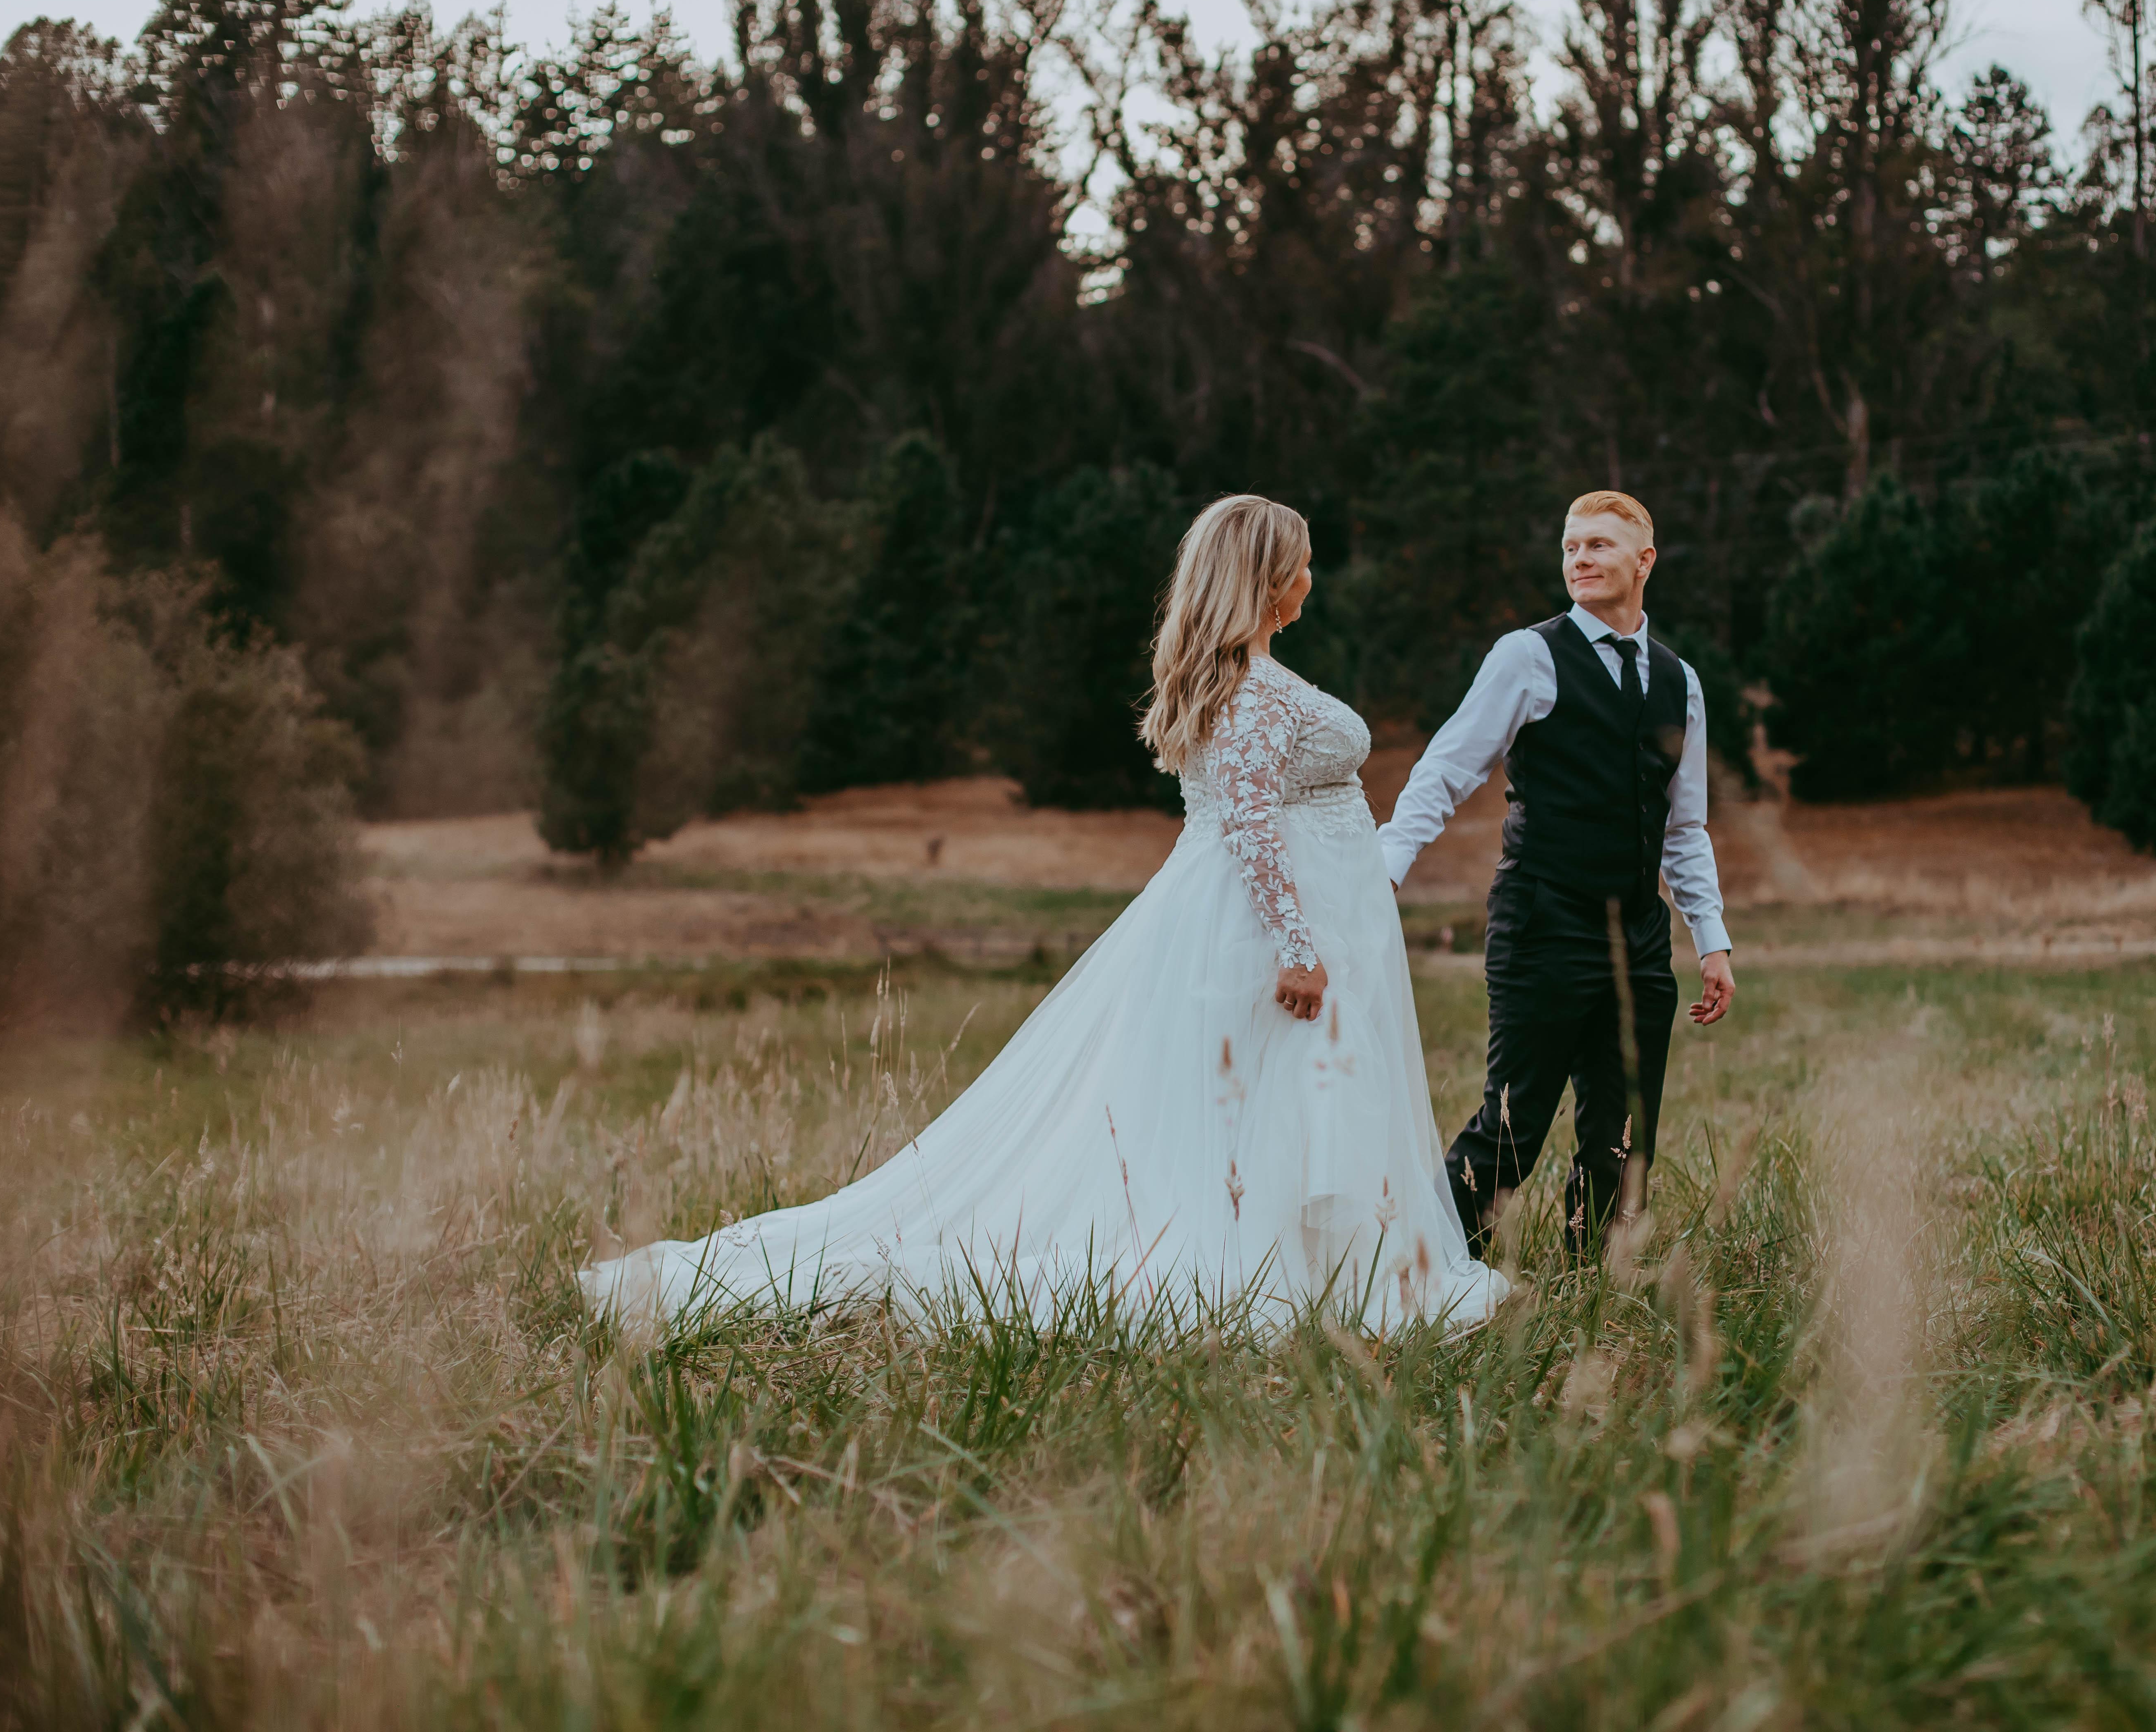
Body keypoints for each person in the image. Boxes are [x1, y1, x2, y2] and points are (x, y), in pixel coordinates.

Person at [580, 495, 1505, 1333]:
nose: (1311, 577)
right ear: (1268, 579)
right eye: (1301, 563)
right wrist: (1297, 946)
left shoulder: (1248, 680)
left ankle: (1317, 1267)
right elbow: (1251, 820)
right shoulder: (1256, 691)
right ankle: (1278, 1271)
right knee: (1264, 1098)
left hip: (1257, 917)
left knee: (1271, 1101)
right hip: (1261, 929)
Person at [1381, 490, 1736, 1260]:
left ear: (1645, 561)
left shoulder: (1680, 680)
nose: (1580, 559)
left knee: (1624, 1134)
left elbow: (1684, 827)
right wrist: (1386, 870)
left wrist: (1711, 940)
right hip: (1543, 919)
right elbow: (1447, 770)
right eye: (1571, 547)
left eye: (1599, 545)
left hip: (1639, 936)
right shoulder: (1527, 657)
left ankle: (1594, 1284)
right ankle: (1425, 1272)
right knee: (1513, 1125)